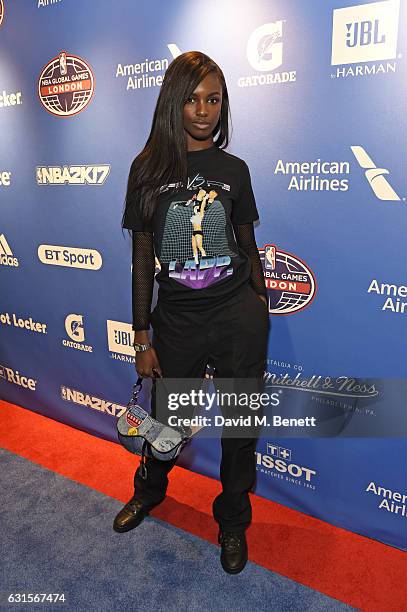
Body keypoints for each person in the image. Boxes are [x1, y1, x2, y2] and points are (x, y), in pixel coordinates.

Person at [116, 51, 270, 575]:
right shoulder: (147, 170)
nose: (203, 110)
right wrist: (142, 336)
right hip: (177, 321)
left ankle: (232, 522)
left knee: (239, 428)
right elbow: (141, 261)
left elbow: (246, 240)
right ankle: (150, 491)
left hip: (236, 318)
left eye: (214, 99)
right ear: (172, 103)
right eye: (192, 98)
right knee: (168, 422)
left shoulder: (234, 170)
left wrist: (260, 302)